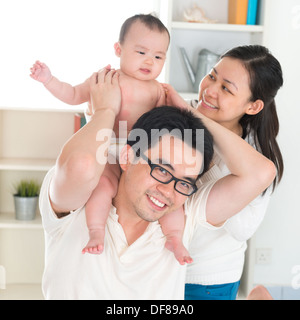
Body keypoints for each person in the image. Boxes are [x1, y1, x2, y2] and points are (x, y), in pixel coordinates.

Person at [39, 67, 275, 299]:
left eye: (184, 182)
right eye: (162, 170)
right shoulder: (78, 206)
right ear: (127, 156)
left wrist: (194, 116)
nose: (168, 191)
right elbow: (81, 164)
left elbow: (262, 173)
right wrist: (105, 110)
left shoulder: (184, 216)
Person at [30, 14, 193, 264]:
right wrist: (49, 80)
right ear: (119, 49)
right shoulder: (105, 79)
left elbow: (167, 127)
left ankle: (174, 238)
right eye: (141, 52)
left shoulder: (158, 90)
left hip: (139, 159)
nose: (150, 60)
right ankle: (96, 232)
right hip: (105, 153)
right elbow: (73, 94)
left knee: (170, 198)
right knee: (103, 187)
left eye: (158, 56)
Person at [163, 45, 283, 300]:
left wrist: (195, 118)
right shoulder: (181, 113)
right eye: (212, 76)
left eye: (226, 88)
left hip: (205, 280)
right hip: (159, 268)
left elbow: (243, 229)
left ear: (252, 106)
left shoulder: (254, 157)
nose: (210, 90)